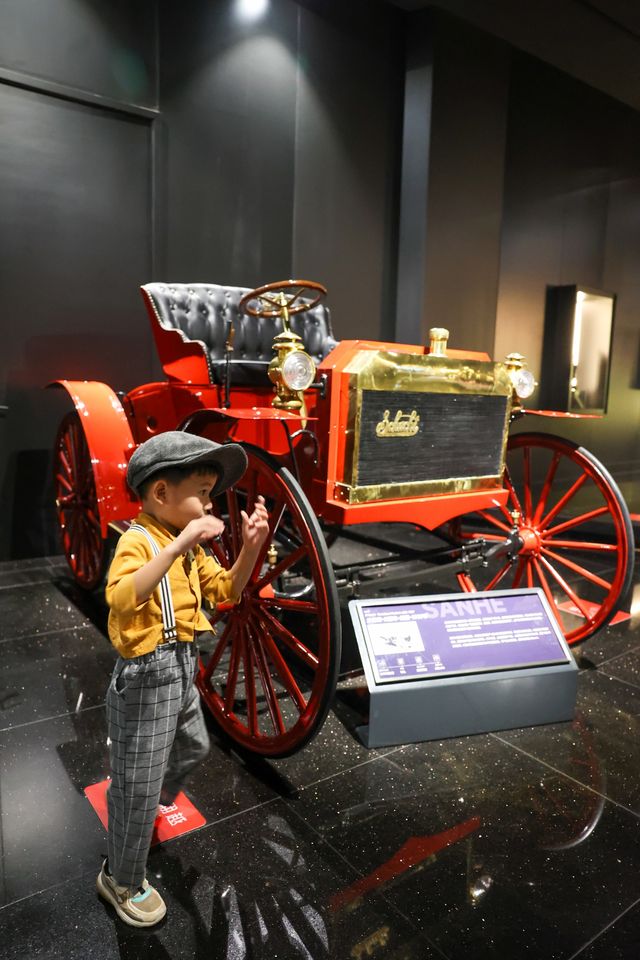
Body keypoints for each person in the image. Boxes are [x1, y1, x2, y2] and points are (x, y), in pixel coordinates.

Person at [96, 431, 269, 927]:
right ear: (161, 494)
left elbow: (226, 592)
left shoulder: (191, 549)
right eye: (202, 491)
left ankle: (139, 801)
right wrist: (180, 547)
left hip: (181, 671)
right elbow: (123, 597)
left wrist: (250, 550)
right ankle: (121, 878)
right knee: (139, 784)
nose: (209, 502)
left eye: (211, 492)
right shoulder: (142, 540)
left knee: (194, 746)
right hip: (147, 679)